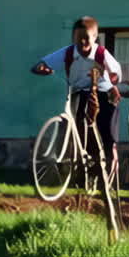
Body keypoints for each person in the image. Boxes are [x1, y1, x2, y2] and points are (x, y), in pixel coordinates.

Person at [31, 16, 122, 169]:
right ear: (73, 38)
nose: (82, 42)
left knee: (106, 127)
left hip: (102, 92)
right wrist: (42, 69)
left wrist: (113, 79)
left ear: (95, 38)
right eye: (78, 38)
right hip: (78, 93)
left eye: (86, 38)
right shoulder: (67, 53)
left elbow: (116, 73)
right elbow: (40, 64)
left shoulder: (101, 54)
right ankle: (81, 160)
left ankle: (111, 154)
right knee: (76, 123)